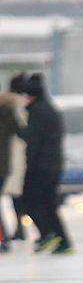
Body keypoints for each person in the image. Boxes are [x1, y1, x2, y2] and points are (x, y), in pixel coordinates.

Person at [18, 73, 72, 255]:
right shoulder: (49, 109)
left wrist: (29, 166)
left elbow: (34, 142)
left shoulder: (37, 112)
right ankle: (62, 239)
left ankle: (49, 234)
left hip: (40, 166)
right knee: (48, 204)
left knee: (30, 201)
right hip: (52, 164)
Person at [0, 73, 27, 252]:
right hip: (7, 163)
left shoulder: (9, 109)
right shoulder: (14, 110)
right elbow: (23, 132)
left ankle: (5, 236)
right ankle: (8, 234)